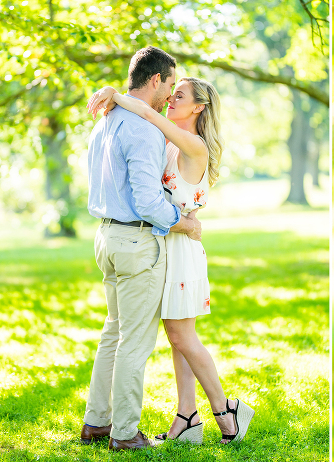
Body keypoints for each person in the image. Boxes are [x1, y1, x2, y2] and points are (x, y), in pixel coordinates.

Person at [86, 77, 255, 444]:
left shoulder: (193, 145)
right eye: (171, 92)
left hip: (181, 249)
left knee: (182, 335)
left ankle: (227, 413)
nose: (171, 99)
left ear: (198, 107)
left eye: (180, 96)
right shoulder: (163, 143)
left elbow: (145, 109)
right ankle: (187, 415)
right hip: (162, 241)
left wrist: (115, 95)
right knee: (176, 336)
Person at [80, 46, 204, 451]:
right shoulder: (143, 129)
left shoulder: (106, 120)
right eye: (170, 83)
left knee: (112, 333)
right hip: (136, 241)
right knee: (134, 341)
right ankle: (124, 433)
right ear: (156, 80)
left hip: (106, 237)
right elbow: (150, 201)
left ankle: (96, 422)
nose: (170, 94)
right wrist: (184, 223)